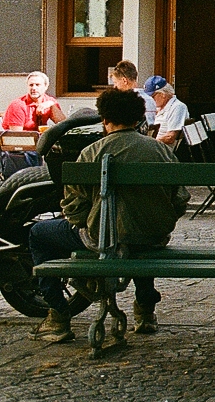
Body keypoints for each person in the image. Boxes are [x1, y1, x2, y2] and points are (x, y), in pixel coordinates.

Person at [28, 87, 189, 343]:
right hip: (153, 237)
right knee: (138, 233)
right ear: (137, 120)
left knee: (38, 234)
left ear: (105, 119)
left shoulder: (91, 153)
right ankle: (145, 309)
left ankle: (58, 315)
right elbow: (180, 200)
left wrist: (89, 222)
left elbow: (72, 208)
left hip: (103, 239)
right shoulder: (161, 152)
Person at [109, 60, 156, 127]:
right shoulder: (150, 100)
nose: (114, 87)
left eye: (115, 82)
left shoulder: (126, 101)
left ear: (124, 81)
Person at [144, 76, 188, 146]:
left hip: (162, 151)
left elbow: (170, 137)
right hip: (154, 146)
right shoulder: (160, 107)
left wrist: (148, 143)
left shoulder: (177, 107)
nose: (150, 100)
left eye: (152, 97)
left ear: (162, 95)